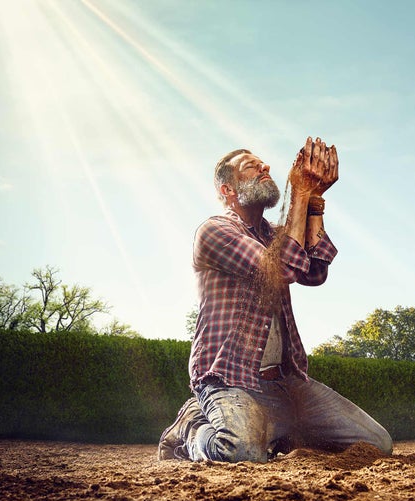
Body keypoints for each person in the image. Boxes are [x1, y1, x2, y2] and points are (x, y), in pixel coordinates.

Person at [158, 136, 392, 462]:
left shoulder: (275, 235)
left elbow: (315, 272)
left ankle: (274, 430)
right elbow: (281, 267)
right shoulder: (214, 232)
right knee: (239, 451)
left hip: (285, 383)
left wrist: (314, 199)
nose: (265, 166)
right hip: (232, 381)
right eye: (251, 167)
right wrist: (300, 193)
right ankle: (192, 425)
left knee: (377, 445)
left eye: (263, 163)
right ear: (228, 190)